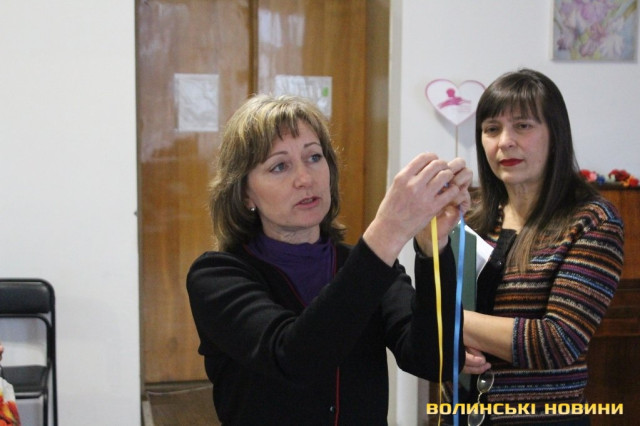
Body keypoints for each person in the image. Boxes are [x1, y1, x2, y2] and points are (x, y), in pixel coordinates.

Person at [186, 94, 472, 425]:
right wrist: (388, 230)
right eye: (279, 166)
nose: (305, 179)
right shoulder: (216, 276)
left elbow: (436, 362)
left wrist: (433, 249)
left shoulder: (368, 266)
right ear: (245, 193)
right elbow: (294, 358)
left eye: (314, 157)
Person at [433, 68, 624, 425]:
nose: (504, 141)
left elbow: (557, 341)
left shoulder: (592, 220)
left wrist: (446, 323)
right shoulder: (469, 216)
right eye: (492, 129)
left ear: (556, 134)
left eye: (522, 126)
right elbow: (435, 310)